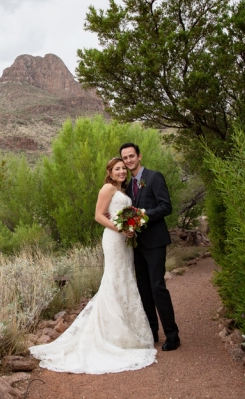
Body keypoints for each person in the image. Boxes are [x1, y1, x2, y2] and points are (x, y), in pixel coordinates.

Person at [29, 158, 156, 374]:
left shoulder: (122, 190)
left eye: (123, 169)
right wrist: (120, 228)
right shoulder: (107, 188)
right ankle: (111, 334)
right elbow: (98, 215)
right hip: (114, 239)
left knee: (125, 278)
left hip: (125, 240)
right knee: (114, 278)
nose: (121, 172)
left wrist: (131, 227)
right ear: (109, 172)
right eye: (117, 169)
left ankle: (127, 330)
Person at [119, 142, 180, 351]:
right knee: (144, 289)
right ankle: (152, 333)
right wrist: (128, 227)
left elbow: (166, 207)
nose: (128, 161)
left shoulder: (154, 177)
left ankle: (172, 335)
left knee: (157, 287)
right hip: (137, 244)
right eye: (125, 158)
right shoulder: (127, 185)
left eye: (131, 156)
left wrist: (142, 216)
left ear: (139, 156)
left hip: (155, 242)